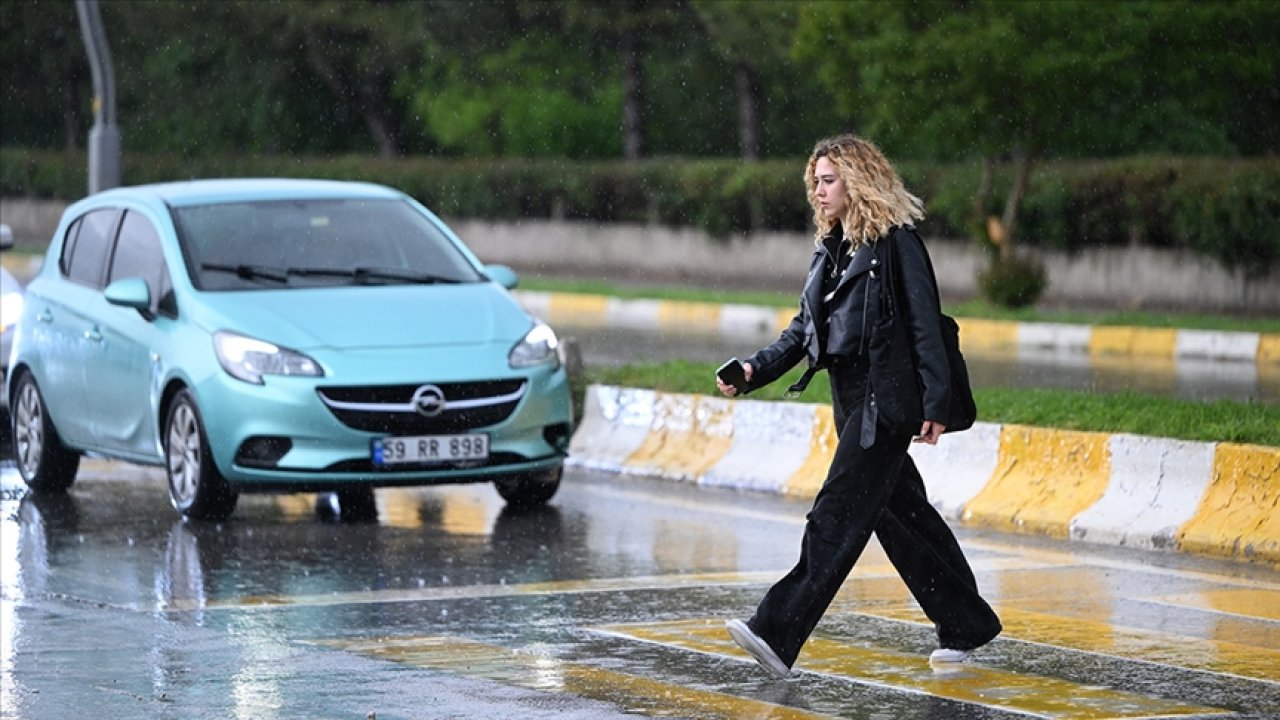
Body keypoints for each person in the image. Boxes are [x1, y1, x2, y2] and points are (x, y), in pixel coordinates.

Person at [717, 134, 1001, 678]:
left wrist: (936, 401)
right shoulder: (831, 249)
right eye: (815, 182)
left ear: (858, 181)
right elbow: (803, 331)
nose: (818, 192)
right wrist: (754, 370)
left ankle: (776, 629)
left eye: (828, 180)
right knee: (904, 520)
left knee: (837, 512)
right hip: (848, 398)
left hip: (883, 397)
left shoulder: (897, 244)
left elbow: (925, 324)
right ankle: (966, 622)